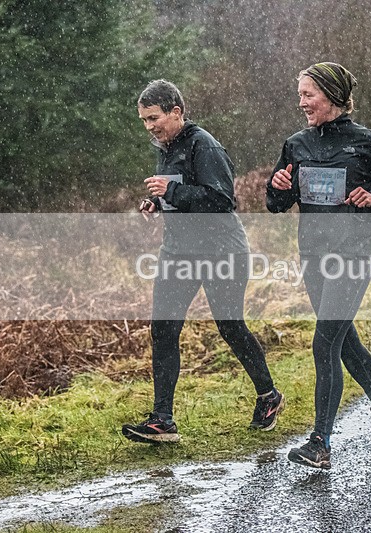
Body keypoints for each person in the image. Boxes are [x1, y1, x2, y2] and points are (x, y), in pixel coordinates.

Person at [121, 80, 285, 444]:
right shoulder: (164, 145)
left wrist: (172, 192)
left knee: (229, 325)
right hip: (178, 251)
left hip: (221, 250)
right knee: (163, 329)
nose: (149, 126)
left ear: (176, 112)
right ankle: (163, 420)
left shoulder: (204, 144)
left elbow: (222, 199)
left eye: (154, 118)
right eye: (144, 120)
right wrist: (158, 203)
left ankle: (268, 396)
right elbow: (178, 193)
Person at [266, 62, 371, 469]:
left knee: (324, 341)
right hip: (314, 254)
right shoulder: (296, 144)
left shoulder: (367, 143)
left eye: (308, 94)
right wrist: (276, 188)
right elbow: (276, 205)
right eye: (300, 94)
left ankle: (320, 443)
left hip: (354, 254)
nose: (301, 102)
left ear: (330, 95)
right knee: (343, 339)